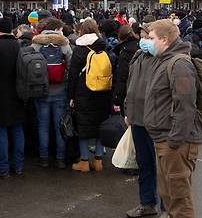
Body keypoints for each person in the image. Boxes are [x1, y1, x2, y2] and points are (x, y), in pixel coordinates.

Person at [144, 19, 201, 218]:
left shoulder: (179, 65)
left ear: (165, 40)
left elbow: (185, 107)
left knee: (180, 198)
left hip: (176, 142)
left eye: (152, 37)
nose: (148, 41)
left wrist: (175, 142)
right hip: (164, 139)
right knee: (168, 195)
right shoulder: (165, 60)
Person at [124, 22, 171, 218]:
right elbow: (130, 84)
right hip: (137, 118)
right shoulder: (138, 56)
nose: (145, 41)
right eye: (144, 36)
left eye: (150, 38)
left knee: (164, 167)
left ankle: (168, 208)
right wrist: (128, 110)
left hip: (158, 121)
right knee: (144, 164)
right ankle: (147, 203)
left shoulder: (167, 60)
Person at [0, 18, 26, 178]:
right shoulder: (19, 45)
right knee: (17, 130)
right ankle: (19, 165)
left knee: (0, 132)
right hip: (18, 94)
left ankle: (2, 168)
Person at [67, 19, 112, 172]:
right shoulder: (104, 48)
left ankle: (84, 161)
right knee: (100, 125)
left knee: (83, 127)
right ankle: (98, 160)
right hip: (103, 92)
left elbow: (72, 75)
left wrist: (71, 96)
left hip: (83, 93)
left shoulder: (79, 50)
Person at [30, 18, 73, 169]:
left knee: (42, 126)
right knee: (59, 126)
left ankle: (43, 158)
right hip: (60, 90)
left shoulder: (36, 43)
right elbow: (71, 65)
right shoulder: (64, 44)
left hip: (41, 90)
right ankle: (60, 159)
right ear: (57, 29)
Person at [112, 25, 139, 114]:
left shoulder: (124, 52)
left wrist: (117, 99)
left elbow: (122, 77)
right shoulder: (139, 46)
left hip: (129, 92)